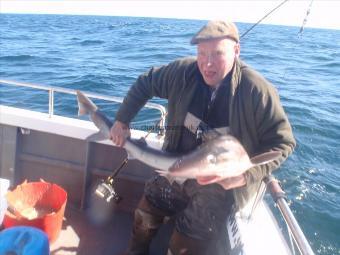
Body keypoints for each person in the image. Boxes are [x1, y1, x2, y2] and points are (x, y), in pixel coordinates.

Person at [110, 20, 296, 255]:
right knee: (144, 214)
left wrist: (246, 175)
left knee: (186, 243)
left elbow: (283, 143)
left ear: (236, 51)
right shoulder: (182, 73)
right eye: (201, 53)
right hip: (177, 165)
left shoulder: (256, 90)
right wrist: (122, 119)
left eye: (218, 54)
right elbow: (145, 83)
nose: (207, 63)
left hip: (218, 185)